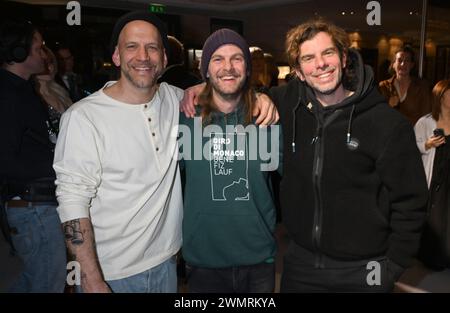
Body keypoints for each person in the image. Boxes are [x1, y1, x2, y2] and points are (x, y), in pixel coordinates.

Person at [181, 19, 428, 292]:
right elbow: (235, 90)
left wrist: (392, 266)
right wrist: (199, 90)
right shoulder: (286, 106)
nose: (320, 64)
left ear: (344, 57)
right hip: (300, 265)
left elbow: (412, 203)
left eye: (328, 53)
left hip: (364, 267)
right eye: (308, 58)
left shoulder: (386, 124)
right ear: (298, 70)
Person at [53, 11, 184, 293]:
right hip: (112, 273)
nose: (143, 56)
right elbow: (72, 199)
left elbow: (219, 94)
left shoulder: (175, 99)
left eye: (152, 47)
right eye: (131, 47)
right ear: (116, 56)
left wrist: (258, 97)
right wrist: (91, 280)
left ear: (164, 58)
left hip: (167, 262)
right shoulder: (84, 117)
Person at [178, 29, 281, 293]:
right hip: (203, 261)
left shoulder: (267, 119)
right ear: (206, 71)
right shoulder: (185, 117)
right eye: (217, 59)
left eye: (237, 59)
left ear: (247, 69)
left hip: (258, 259)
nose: (228, 67)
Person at [0, 19, 66, 292]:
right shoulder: (7, 94)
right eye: (38, 48)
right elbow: (5, 161)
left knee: (35, 282)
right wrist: (58, 168)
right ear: (19, 53)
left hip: (36, 206)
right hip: (33, 206)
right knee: (48, 284)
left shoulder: (20, 88)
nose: (43, 54)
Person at [414, 79, 450, 270]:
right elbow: (411, 148)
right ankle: (432, 257)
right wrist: (427, 144)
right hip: (435, 176)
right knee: (435, 218)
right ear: (440, 97)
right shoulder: (426, 122)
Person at [379, 46, 431, 125]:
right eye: (400, 60)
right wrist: (388, 106)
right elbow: (378, 115)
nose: (403, 64)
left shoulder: (422, 86)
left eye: (407, 60)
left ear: (412, 65)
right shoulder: (383, 86)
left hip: (415, 135)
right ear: (393, 64)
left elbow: (426, 117)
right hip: (390, 134)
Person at [34, 45, 72, 134]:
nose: (49, 67)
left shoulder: (61, 92)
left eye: (50, 62)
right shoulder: (31, 97)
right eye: (44, 63)